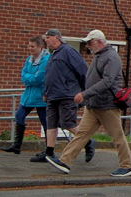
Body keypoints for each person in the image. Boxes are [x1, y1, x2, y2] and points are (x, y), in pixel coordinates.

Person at [46, 30, 131, 176]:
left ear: (99, 41)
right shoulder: (98, 56)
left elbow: (107, 82)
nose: (88, 46)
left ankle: (127, 166)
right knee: (81, 134)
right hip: (93, 105)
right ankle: (65, 161)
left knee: (117, 136)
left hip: (107, 105)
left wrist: (84, 94)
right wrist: (86, 98)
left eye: (90, 42)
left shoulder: (111, 57)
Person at [39, 29, 95, 163]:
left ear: (57, 37)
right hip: (53, 95)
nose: (46, 40)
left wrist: (83, 91)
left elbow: (82, 71)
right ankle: (49, 153)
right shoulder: (53, 54)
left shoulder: (68, 51)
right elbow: (50, 75)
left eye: (48, 37)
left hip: (67, 94)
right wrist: (46, 92)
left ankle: (88, 142)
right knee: (51, 124)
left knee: (67, 123)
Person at [1, 37, 49, 155]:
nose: (30, 49)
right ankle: (17, 146)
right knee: (19, 116)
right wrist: (30, 77)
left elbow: (39, 78)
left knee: (45, 123)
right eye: (29, 46)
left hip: (41, 97)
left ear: (40, 47)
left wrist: (29, 77)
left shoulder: (46, 60)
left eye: (32, 46)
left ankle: (48, 149)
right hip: (28, 95)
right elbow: (24, 76)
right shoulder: (29, 59)